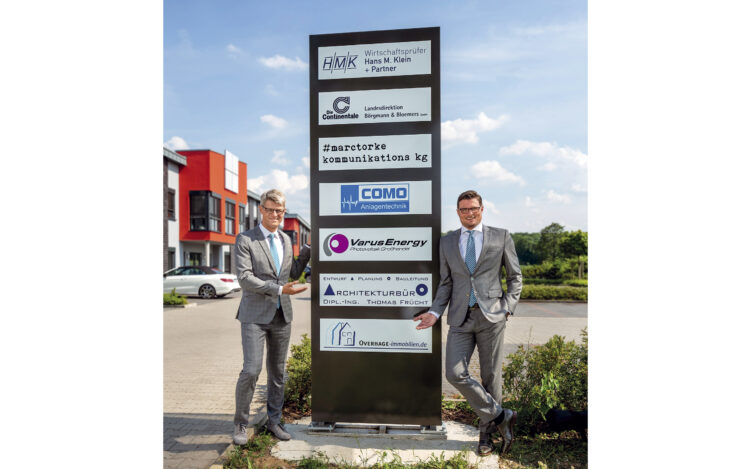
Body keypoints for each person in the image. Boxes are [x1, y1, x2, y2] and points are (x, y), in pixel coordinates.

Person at [414, 190, 522, 456]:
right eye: (464, 209)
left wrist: (507, 308)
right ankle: (501, 416)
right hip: (460, 317)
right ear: (458, 212)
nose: (469, 213)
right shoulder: (447, 242)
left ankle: (486, 437)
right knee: (454, 373)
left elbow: (515, 277)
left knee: (490, 377)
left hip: (492, 316)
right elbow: (446, 282)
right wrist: (435, 312)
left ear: (482, 209)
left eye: (474, 208)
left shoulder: (501, 236)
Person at [232, 189, 310, 445]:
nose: (275, 214)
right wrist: (279, 289)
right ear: (261, 210)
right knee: (251, 370)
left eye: (279, 211)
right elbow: (245, 278)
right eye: (270, 209)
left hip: (281, 315)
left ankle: (274, 422)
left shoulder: (286, 240)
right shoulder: (246, 239)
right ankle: (241, 424)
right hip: (254, 316)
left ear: (284, 212)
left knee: (277, 373)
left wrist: (308, 248)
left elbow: (292, 272)